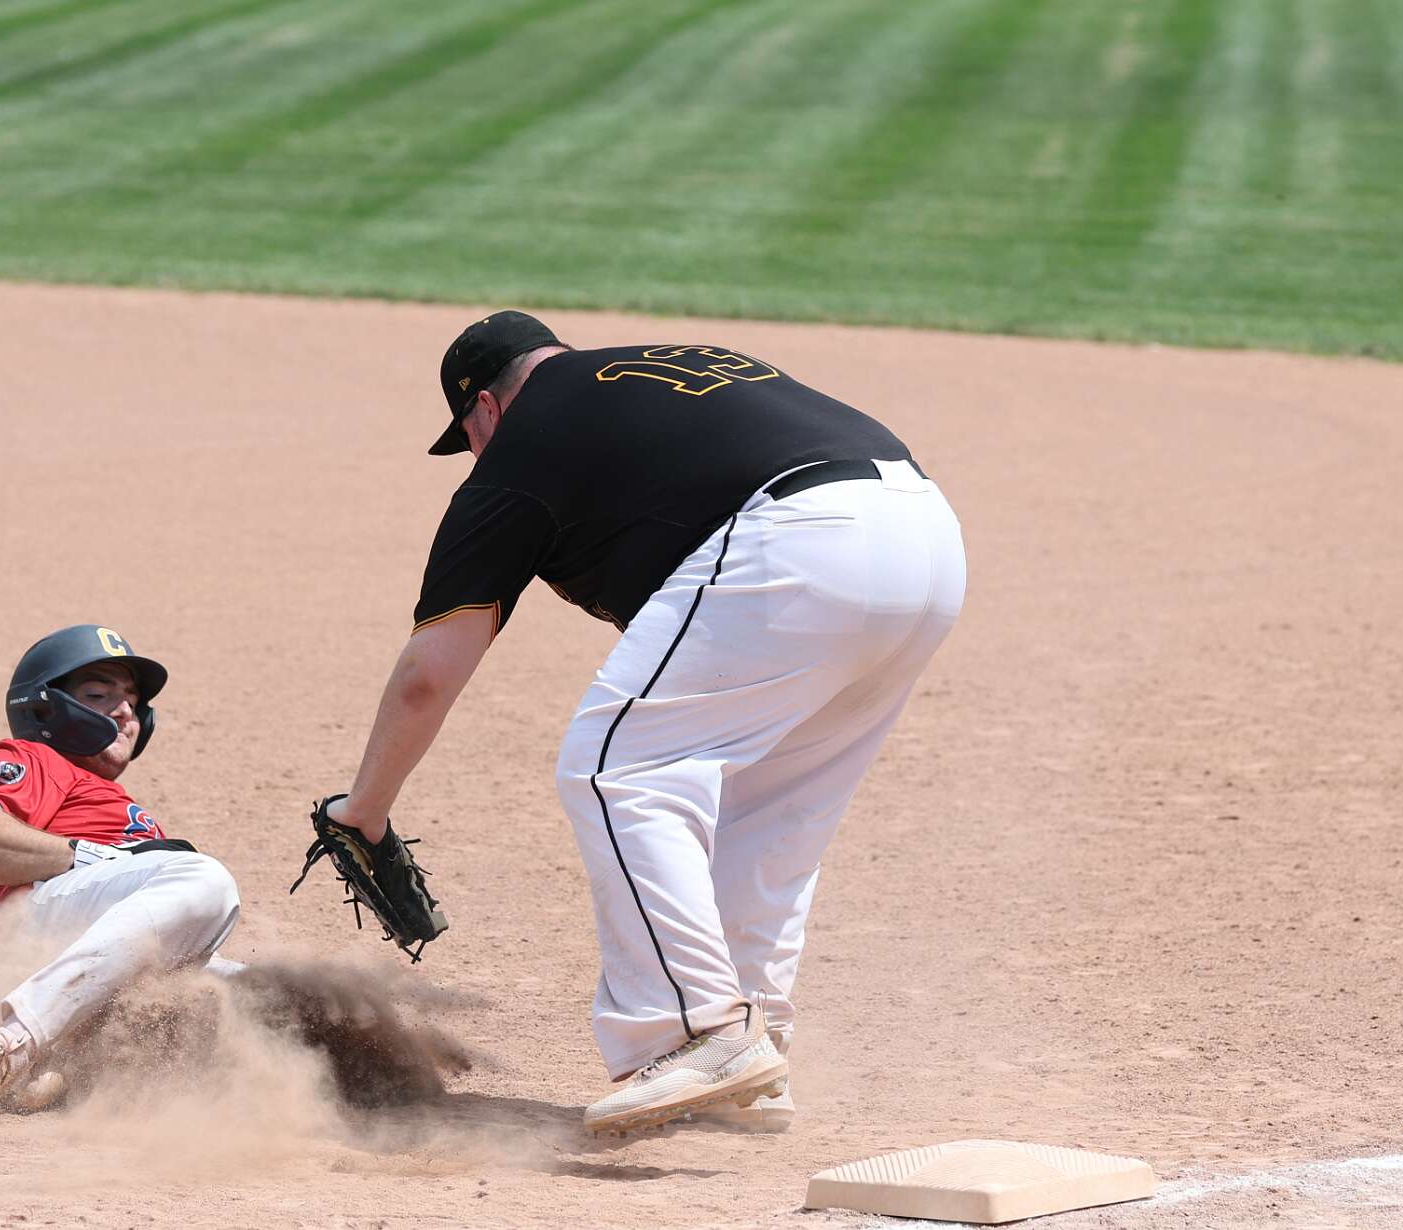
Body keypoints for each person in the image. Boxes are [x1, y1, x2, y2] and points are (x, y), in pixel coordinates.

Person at [320, 312, 966, 1134]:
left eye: (470, 437)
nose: (477, 454)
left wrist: (365, 810)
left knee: (614, 768)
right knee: (769, 807)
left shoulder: (524, 444)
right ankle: (755, 1055)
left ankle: (698, 1032)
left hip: (800, 541)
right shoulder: (653, 378)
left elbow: (426, 677)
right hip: (927, 536)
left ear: (485, 406)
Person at [0, 624, 241, 1109]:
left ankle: (63, 1071)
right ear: (46, 707)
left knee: (276, 995)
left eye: (132, 701)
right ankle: (8, 1048)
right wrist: (84, 855)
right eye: (99, 695)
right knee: (205, 880)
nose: (125, 711)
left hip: (112, 966)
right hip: (43, 930)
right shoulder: (34, 759)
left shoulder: (117, 801)